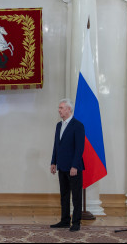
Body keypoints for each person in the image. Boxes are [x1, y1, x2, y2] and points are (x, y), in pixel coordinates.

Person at [50, 99, 85, 232]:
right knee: (64, 195)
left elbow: (79, 148)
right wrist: (53, 162)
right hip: (62, 166)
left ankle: (76, 222)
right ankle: (65, 220)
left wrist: (75, 165)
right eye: (59, 108)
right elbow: (56, 145)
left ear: (69, 109)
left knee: (76, 196)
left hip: (73, 168)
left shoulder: (78, 125)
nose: (59, 110)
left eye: (61, 108)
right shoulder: (59, 125)